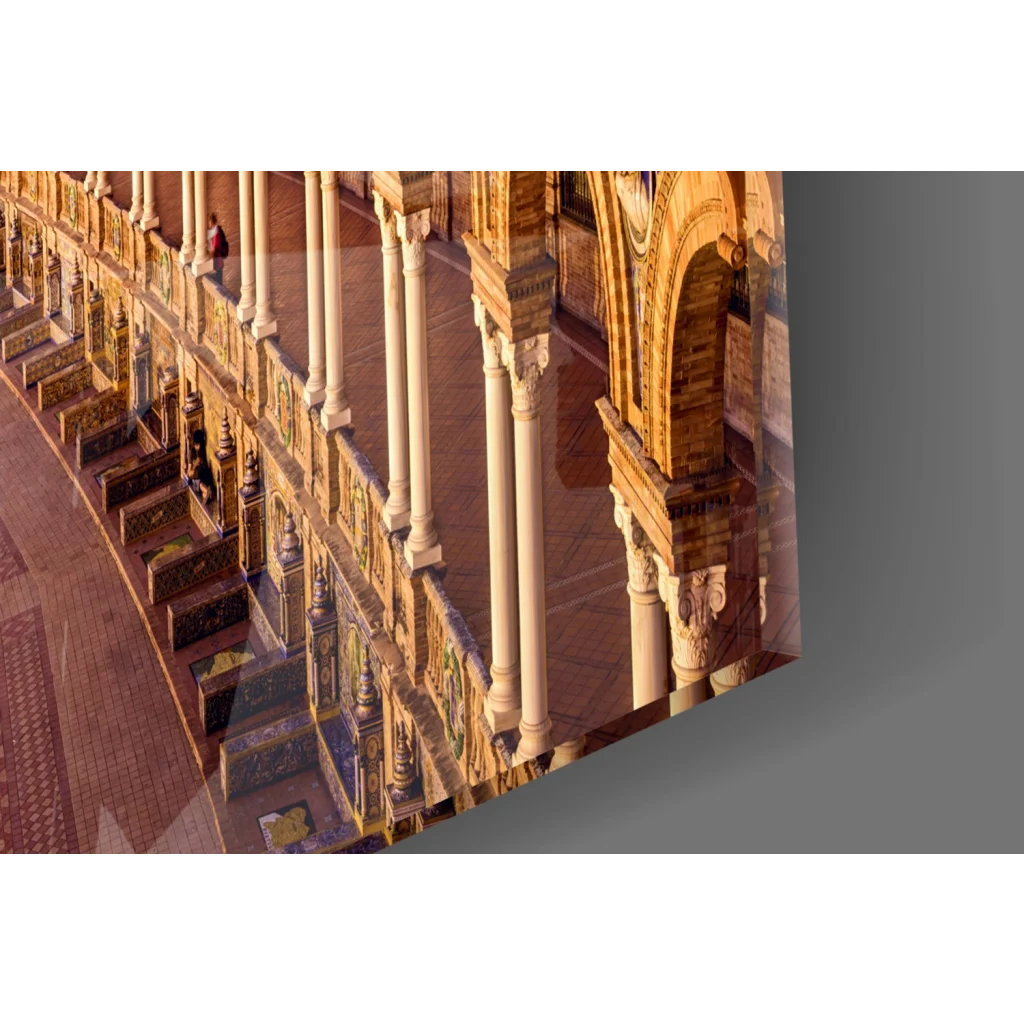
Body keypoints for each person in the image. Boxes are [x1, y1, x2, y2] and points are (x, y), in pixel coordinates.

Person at [208, 212, 228, 286]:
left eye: (208, 221)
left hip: (217, 261)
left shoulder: (216, 232)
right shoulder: (215, 230)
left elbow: (216, 246)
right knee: (218, 281)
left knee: (218, 283)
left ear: (211, 221)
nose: (208, 224)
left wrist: (210, 254)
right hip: (218, 261)